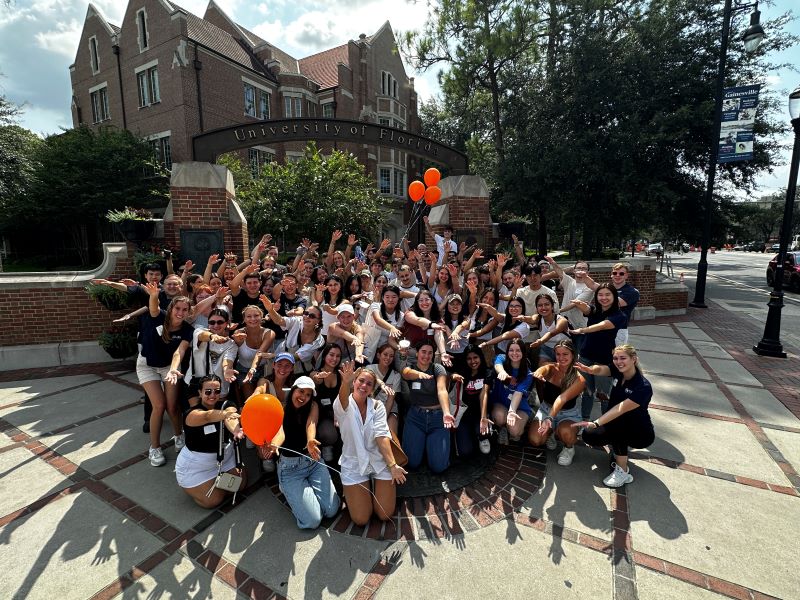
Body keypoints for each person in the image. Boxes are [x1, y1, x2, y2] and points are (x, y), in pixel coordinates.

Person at [258, 376, 340, 529]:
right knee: (313, 521)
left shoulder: (313, 405)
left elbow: (311, 423)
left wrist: (310, 440)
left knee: (332, 511)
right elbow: (281, 430)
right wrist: (275, 445)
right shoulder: (282, 408)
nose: (304, 397)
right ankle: (288, 487)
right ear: (294, 389)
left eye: (308, 394)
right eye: (301, 391)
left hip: (313, 461)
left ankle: (303, 493)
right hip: (291, 469)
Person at [573, 344, 655, 487]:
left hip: (641, 432)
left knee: (619, 423)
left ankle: (623, 472)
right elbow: (603, 369)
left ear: (634, 359)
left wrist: (597, 422)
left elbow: (620, 408)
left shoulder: (643, 386)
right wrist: (590, 369)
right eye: (616, 358)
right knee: (589, 435)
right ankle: (618, 451)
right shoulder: (618, 371)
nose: (618, 362)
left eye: (623, 358)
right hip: (618, 422)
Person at [336, 362, 407, 526]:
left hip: (379, 459)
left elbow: (381, 435)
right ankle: (362, 488)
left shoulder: (377, 406)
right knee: (361, 519)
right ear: (354, 382)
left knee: (384, 514)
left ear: (372, 389)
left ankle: (375, 486)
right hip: (353, 463)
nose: (364, 385)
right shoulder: (342, 404)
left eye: (369, 384)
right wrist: (345, 382)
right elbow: (342, 397)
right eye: (361, 380)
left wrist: (392, 465)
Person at [137, 283, 194, 467]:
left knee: (172, 406)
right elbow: (153, 307)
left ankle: (179, 436)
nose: (181, 312)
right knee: (159, 406)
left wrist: (173, 369)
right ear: (171, 308)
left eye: (185, 310)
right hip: (147, 365)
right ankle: (154, 448)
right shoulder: (159, 317)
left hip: (169, 367)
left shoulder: (187, 330)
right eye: (178, 308)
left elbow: (180, 352)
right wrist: (153, 295)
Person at [175, 376, 247, 508]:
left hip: (224, 458)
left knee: (240, 486)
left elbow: (231, 418)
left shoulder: (227, 405)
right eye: (208, 391)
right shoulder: (191, 414)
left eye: (217, 391)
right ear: (200, 392)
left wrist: (236, 430)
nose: (213, 395)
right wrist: (224, 414)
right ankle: (197, 486)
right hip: (198, 466)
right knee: (213, 500)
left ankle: (214, 482)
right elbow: (208, 416)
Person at [570, 283, 628, 421]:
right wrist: (580, 304)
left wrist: (582, 330)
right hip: (586, 356)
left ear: (614, 296)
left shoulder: (619, 316)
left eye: (608, 294)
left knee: (603, 395)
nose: (604, 298)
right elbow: (588, 309)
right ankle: (585, 421)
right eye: (600, 294)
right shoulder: (595, 310)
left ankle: (606, 424)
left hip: (604, 360)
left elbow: (603, 325)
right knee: (587, 392)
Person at [528, 340, 586, 466]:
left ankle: (569, 448)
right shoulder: (551, 367)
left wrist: (549, 418)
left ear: (573, 355)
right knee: (535, 439)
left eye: (565, 354)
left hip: (568, 414)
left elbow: (562, 398)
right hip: (546, 409)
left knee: (566, 432)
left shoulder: (579, 379)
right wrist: (539, 372)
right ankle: (550, 433)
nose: (561, 358)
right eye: (558, 354)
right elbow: (544, 368)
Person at [401, 340, 454, 473]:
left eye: (430, 353)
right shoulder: (411, 365)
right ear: (417, 353)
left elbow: (442, 390)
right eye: (423, 352)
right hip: (416, 417)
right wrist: (418, 374)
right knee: (411, 463)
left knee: (438, 467)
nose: (426, 355)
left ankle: (433, 450)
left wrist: (446, 413)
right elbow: (406, 373)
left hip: (437, 418)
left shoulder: (437, 368)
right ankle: (423, 448)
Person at [260, 295, 324, 375]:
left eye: (312, 316)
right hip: (280, 359)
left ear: (318, 321)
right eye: (306, 313)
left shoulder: (318, 340)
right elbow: (280, 320)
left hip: (299, 368)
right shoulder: (297, 321)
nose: (307, 317)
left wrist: (274, 355)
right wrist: (270, 310)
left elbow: (297, 357)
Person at [490, 338, 533, 445]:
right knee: (499, 418)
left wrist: (512, 411)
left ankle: (520, 423)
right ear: (507, 351)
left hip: (519, 406)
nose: (514, 353)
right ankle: (503, 428)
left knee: (515, 432)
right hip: (501, 402)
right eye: (511, 350)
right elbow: (497, 364)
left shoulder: (528, 373)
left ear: (523, 352)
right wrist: (502, 372)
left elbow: (518, 393)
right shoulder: (502, 358)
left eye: (518, 350)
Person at [452, 345, 493, 456]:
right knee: (465, 451)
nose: (473, 361)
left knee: (482, 433)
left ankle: (483, 436)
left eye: (475, 357)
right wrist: (453, 376)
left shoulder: (487, 372)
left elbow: (484, 394)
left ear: (480, 357)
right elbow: (446, 376)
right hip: (463, 415)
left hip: (480, 413)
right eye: (469, 358)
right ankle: (468, 435)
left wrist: (483, 418)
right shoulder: (461, 371)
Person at [310, 344, 344, 462]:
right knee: (329, 434)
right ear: (324, 356)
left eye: (338, 356)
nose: (334, 359)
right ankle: (326, 445)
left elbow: (346, 396)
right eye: (331, 355)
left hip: (337, 413)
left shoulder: (341, 375)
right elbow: (316, 378)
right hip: (321, 415)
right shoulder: (315, 373)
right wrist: (319, 377)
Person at [518, 294, 570, 362]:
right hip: (546, 348)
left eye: (547, 304)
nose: (543, 307)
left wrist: (541, 341)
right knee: (543, 368)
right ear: (537, 308)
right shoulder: (538, 318)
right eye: (540, 305)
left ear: (552, 306)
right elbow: (531, 319)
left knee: (559, 369)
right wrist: (522, 318)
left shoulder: (562, 321)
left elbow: (552, 333)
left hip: (563, 349)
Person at [365, 343, 402, 436]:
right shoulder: (370, 368)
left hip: (389, 408)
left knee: (390, 434)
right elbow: (372, 376)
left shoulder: (396, 375)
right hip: (371, 406)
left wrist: (383, 419)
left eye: (391, 356)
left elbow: (391, 399)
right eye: (385, 354)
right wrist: (381, 384)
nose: (388, 358)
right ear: (378, 355)